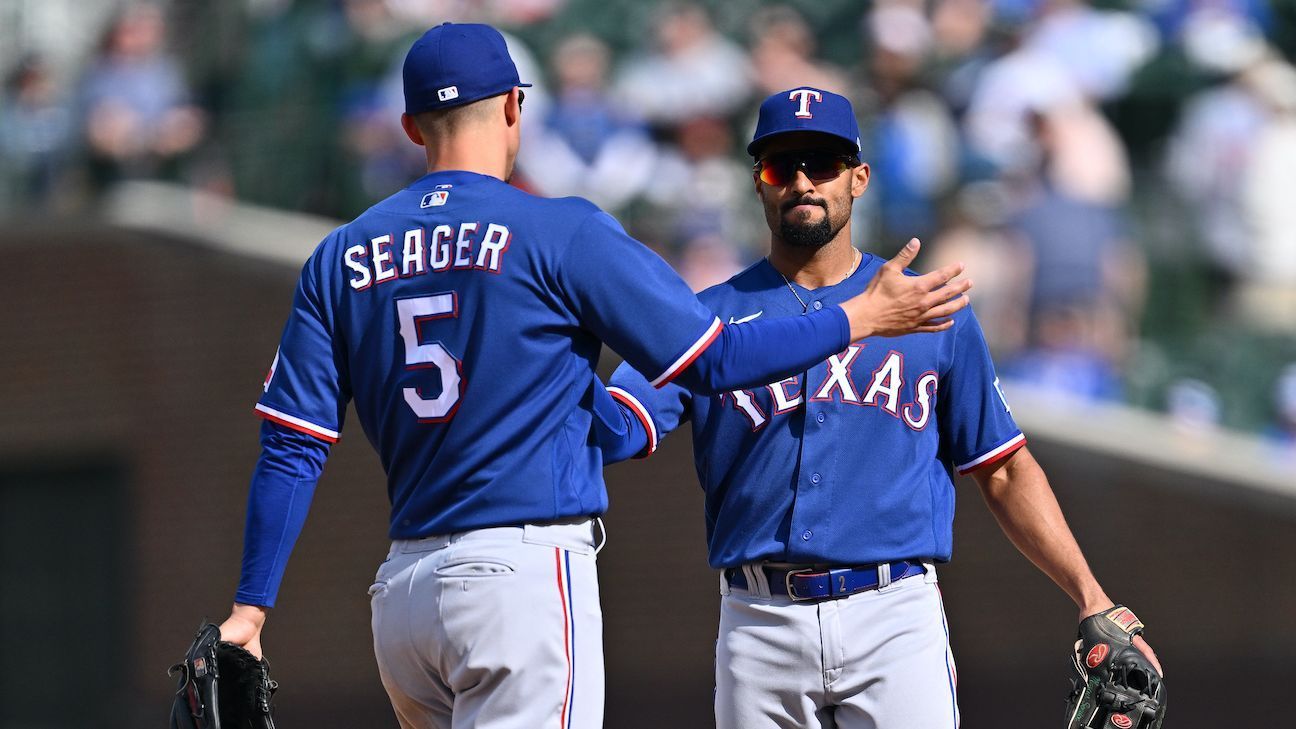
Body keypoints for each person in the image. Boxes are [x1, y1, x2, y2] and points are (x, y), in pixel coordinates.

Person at [213, 26, 972, 729]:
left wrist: (250, 608)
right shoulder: (558, 230)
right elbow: (716, 362)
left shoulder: (339, 255)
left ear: (411, 127)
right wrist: (857, 318)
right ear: (514, 108)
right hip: (517, 577)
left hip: (403, 594)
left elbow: (291, 445)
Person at [600, 87, 1162, 728]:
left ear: (859, 178)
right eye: (782, 166)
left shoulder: (931, 313)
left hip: (894, 617)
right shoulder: (708, 319)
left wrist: (1091, 596)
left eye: (823, 163)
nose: (803, 182)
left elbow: (1003, 467)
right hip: (758, 620)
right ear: (759, 183)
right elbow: (617, 426)